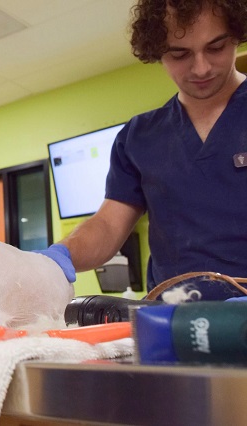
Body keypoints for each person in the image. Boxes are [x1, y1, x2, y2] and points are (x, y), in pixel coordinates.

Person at [40, 0, 247, 301]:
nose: (201, 67)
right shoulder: (139, 138)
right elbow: (108, 225)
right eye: (180, 54)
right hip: (170, 322)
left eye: (216, 47)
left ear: (237, 36)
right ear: (157, 51)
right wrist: (56, 257)